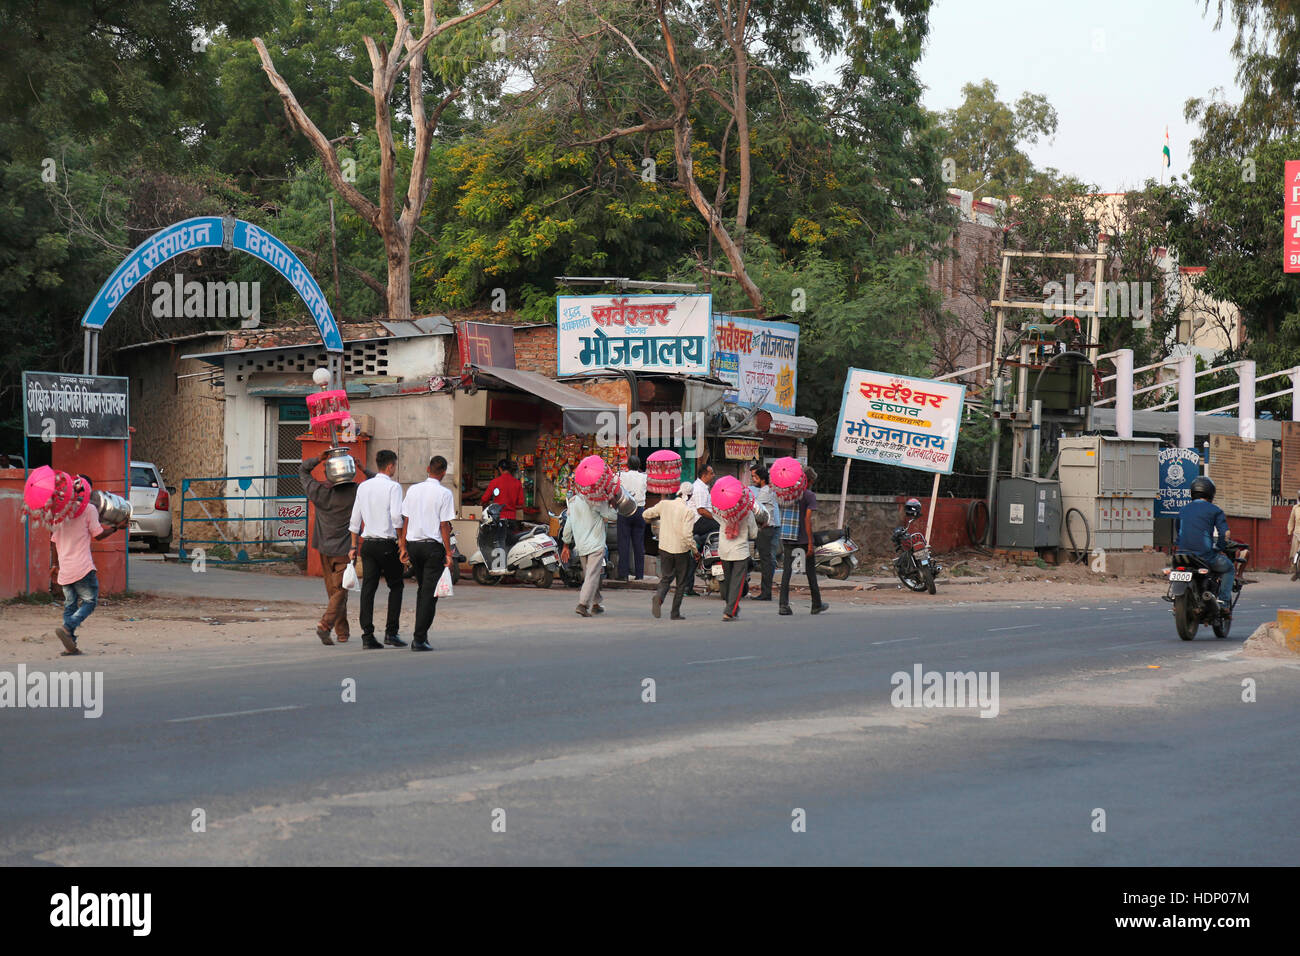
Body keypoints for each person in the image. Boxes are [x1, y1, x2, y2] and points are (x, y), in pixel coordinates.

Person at [301, 452, 374, 645]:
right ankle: (325, 625)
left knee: (335, 592)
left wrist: (319, 458)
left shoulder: (319, 492)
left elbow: (302, 470)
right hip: (344, 551)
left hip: (324, 549)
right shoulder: (356, 492)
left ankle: (342, 633)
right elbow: (376, 481)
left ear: (328, 474)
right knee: (341, 590)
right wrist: (362, 468)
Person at [51, 475, 122, 655]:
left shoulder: (59, 511)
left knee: (70, 605)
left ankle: (71, 645)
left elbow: (53, 541)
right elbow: (98, 535)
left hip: (65, 569)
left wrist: (55, 564)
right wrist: (115, 528)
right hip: (82, 567)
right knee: (90, 601)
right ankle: (68, 627)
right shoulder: (89, 509)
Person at [398, 455, 456, 652]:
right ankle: (419, 638)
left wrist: (403, 546)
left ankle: (421, 635)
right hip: (432, 547)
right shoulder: (445, 494)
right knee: (429, 594)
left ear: (427, 468)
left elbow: (405, 519)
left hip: (414, 546)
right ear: (443, 473)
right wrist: (449, 552)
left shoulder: (413, 490)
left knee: (423, 588)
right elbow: (444, 525)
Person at [348, 449, 405, 648]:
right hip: (387, 543)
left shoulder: (363, 487)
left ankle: (367, 635)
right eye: (395, 466)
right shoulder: (394, 487)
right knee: (396, 586)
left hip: (368, 544)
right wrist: (401, 541)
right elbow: (397, 517)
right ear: (390, 466)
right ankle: (391, 632)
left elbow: (355, 519)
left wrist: (353, 545)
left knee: (368, 589)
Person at [1175, 476, 1236, 613]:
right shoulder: (1215, 510)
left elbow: (1178, 530)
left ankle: (1176, 600)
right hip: (1204, 556)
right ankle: (1224, 603)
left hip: (1180, 554)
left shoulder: (1183, 510)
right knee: (1229, 569)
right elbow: (1225, 534)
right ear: (1211, 493)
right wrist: (1220, 547)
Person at [778, 466, 828, 616]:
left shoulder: (788, 495)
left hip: (788, 538)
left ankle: (783, 605)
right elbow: (807, 519)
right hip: (803, 540)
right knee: (811, 573)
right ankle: (816, 604)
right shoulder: (809, 495)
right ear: (810, 480)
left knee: (787, 571)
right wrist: (811, 543)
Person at [643, 481, 696, 620]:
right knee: (681, 583)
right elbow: (687, 535)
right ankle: (675, 613)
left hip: (665, 548)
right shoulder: (688, 512)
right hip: (681, 550)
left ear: (678, 492)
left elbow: (646, 514)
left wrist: (655, 518)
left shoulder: (664, 504)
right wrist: (695, 550)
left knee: (666, 578)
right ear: (689, 497)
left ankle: (659, 598)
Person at [561, 488, 616, 617]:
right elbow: (613, 516)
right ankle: (583, 604)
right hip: (595, 544)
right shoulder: (596, 501)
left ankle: (596, 604)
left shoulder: (573, 502)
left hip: (581, 545)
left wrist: (566, 544)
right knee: (591, 575)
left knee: (590, 575)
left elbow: (568, 525)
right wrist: (612, 503)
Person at [480, 459, 525, 566]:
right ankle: (510, 566)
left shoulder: (495, 482)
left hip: (498, 519)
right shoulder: (517, 483)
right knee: (510, 543)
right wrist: (511, 505)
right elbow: (521, 503)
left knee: (498, 543)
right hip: (512, 519)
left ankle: (500, 567)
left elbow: (484, 499)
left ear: (500, 469)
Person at [719, 500, 758, 622]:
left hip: (724, 550)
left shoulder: (721, 511)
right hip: (740, 552)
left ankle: (732, 608)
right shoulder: (747, 512)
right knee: (737, 583)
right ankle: (729, 611)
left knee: (729, 581)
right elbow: (753, 533)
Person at [687, 462, 717, 595]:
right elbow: (701, 510)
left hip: (700, 521)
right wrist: (717, 518)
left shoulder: (704, 487)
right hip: (698, 522)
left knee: (695, 557)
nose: (713, 475)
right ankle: (701, 540)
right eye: (711, 473)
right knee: (721, 526)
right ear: (704, 475)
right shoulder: (698, 488)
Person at [750, 465, 779, 601]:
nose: (753, 480)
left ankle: (766, 592)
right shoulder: (767, 490)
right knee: (766, 561)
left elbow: (757, 511)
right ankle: (765, 592)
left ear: (762, 478)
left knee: (766, 562)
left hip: (766, 529)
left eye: (755, 477)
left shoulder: (765, 491)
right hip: (767, 529)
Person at [616, 456, 648, 581]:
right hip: (640, 510)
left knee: (623, 543)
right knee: (639, 544)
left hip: (625, 510)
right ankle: (639, 574)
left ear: (628, 465)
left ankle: (623, 574)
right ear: (639, 465)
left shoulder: (621, 475)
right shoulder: (644, 477)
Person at [1287, 491, 1300, 580]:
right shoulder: (1295, 508)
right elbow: (1291, 521)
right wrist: (1289, 533)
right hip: (1296, 534)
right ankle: (1296, 572)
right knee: (1294, 555)